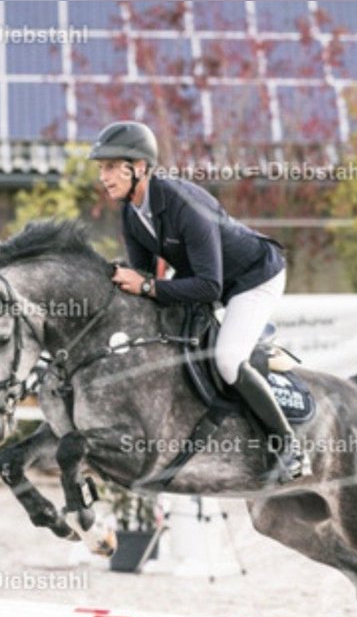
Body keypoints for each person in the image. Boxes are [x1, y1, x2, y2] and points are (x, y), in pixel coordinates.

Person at [89, 120, 310, 481]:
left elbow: (207, 287)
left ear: (139, 167)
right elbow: (144, 279)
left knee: (227, 360)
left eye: (111, 167)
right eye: (101, 168)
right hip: (207, 279)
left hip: (254, 278)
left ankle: (289, 447)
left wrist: (146, 286)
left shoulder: (184, 204)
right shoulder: (131, 213)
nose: (104, 176)